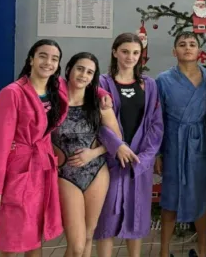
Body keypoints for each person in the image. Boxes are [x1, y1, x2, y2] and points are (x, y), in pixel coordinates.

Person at [0, 39, 70, 256]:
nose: (48, 62)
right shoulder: (12, 93)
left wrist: (104, 96)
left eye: (54, 58)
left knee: (35, 236)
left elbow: (84, 86)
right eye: (43, 56)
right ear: (31, 59)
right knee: (12, 238)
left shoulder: (57, 88)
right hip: (19, 170)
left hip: (43, 170)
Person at [94, 33, 164, 257]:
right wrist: (118, 146)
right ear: (115, 52)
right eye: (125, 52)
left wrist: (145, 158)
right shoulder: (102, 83)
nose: (130, 57)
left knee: (137, 216)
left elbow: (156, 124)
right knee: (106, 219)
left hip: (139, 163)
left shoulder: (149, 85)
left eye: (135, 53)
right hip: (111, 161)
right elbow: (97, 121)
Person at [52, 52, 128, 257]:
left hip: (96, 172)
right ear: (69, 69)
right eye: (80, 69)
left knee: (88, 236)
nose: (83, 75)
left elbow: (117, 138)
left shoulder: (98, 103)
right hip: (65, 174)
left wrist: (93, 153)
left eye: (89, 72)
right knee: (76, 245)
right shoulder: (55, 101)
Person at [155, 32, 206, 257]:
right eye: (182, 44)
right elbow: (157, 119)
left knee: (201, 198)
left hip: (202, 146)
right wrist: (157, 153)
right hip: (174, 144)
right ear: (174, 51)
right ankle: (163, 251)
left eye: (192, 44)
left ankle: (203, 250)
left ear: (199, 51)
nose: (187, 48)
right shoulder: (163, 80)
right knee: (170, 198)